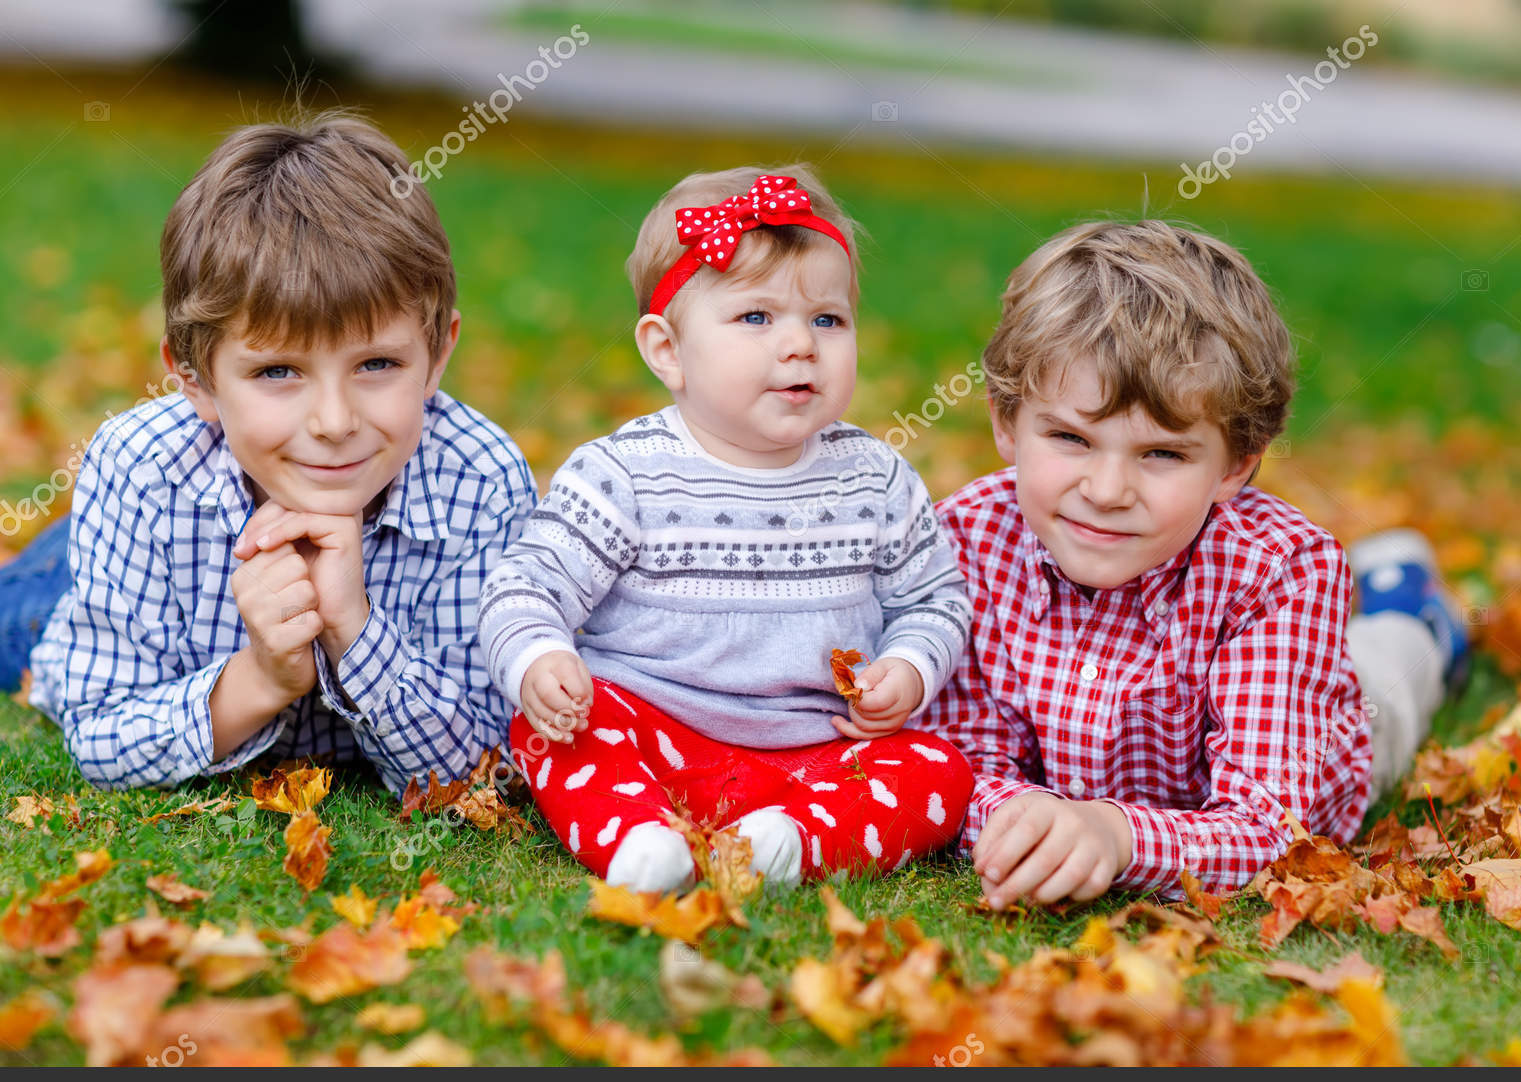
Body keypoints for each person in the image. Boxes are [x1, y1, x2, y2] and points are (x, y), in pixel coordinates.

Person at [920, 220, 1467, 907]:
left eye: (1161, 454)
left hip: (1331, 729)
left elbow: (1273, 827)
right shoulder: (966, 539)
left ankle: (1418, 611)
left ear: (1236, 463)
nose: (1107, 490)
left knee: (1389, 672)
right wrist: (1019, 822)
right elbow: (959, 760)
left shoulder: (1280, 573)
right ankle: (1392, 582)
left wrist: (1116, 835)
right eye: (1070, 438)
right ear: (1007, 422)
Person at [2, 112, 536, 794]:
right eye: (278, 372)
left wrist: (355, 629)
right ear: (194, 380)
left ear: (436, 356)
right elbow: (102, 732)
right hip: (78, 589)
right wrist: (261, 678)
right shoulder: (142, 471)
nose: (336, 422)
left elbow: (489, 765)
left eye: (376, 363)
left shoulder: (482, 482)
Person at [478, 166, 974, 893]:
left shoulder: (875, 478)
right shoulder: (625, 474)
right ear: (667, 351)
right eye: (756, 318)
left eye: (827, 319)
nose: (801, 344)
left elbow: (936, 599)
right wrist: (539, 657)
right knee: (554, 732)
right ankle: (641, 840)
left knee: (941, 771)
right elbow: (524, 584)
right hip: (655, 737)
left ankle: (789, 845)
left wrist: (910, 666)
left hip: (814, 756)